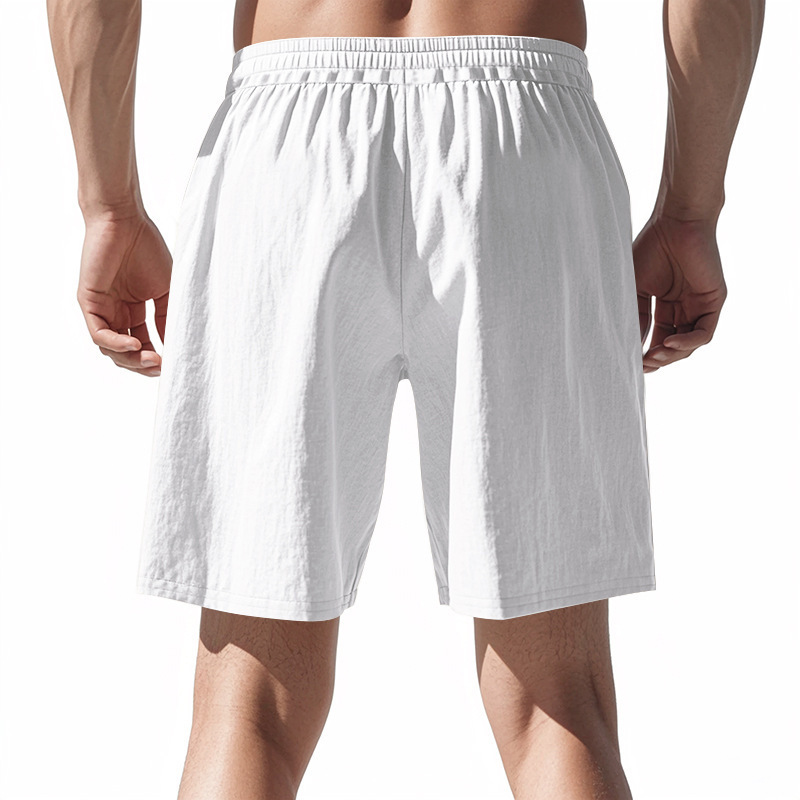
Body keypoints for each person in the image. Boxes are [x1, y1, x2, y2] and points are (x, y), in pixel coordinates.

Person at [47, 0, 764, 797]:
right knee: (556, 706)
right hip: (522, 132)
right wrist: (690, 211)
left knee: (248, 706)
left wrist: (108, 205)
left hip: (290, 136)